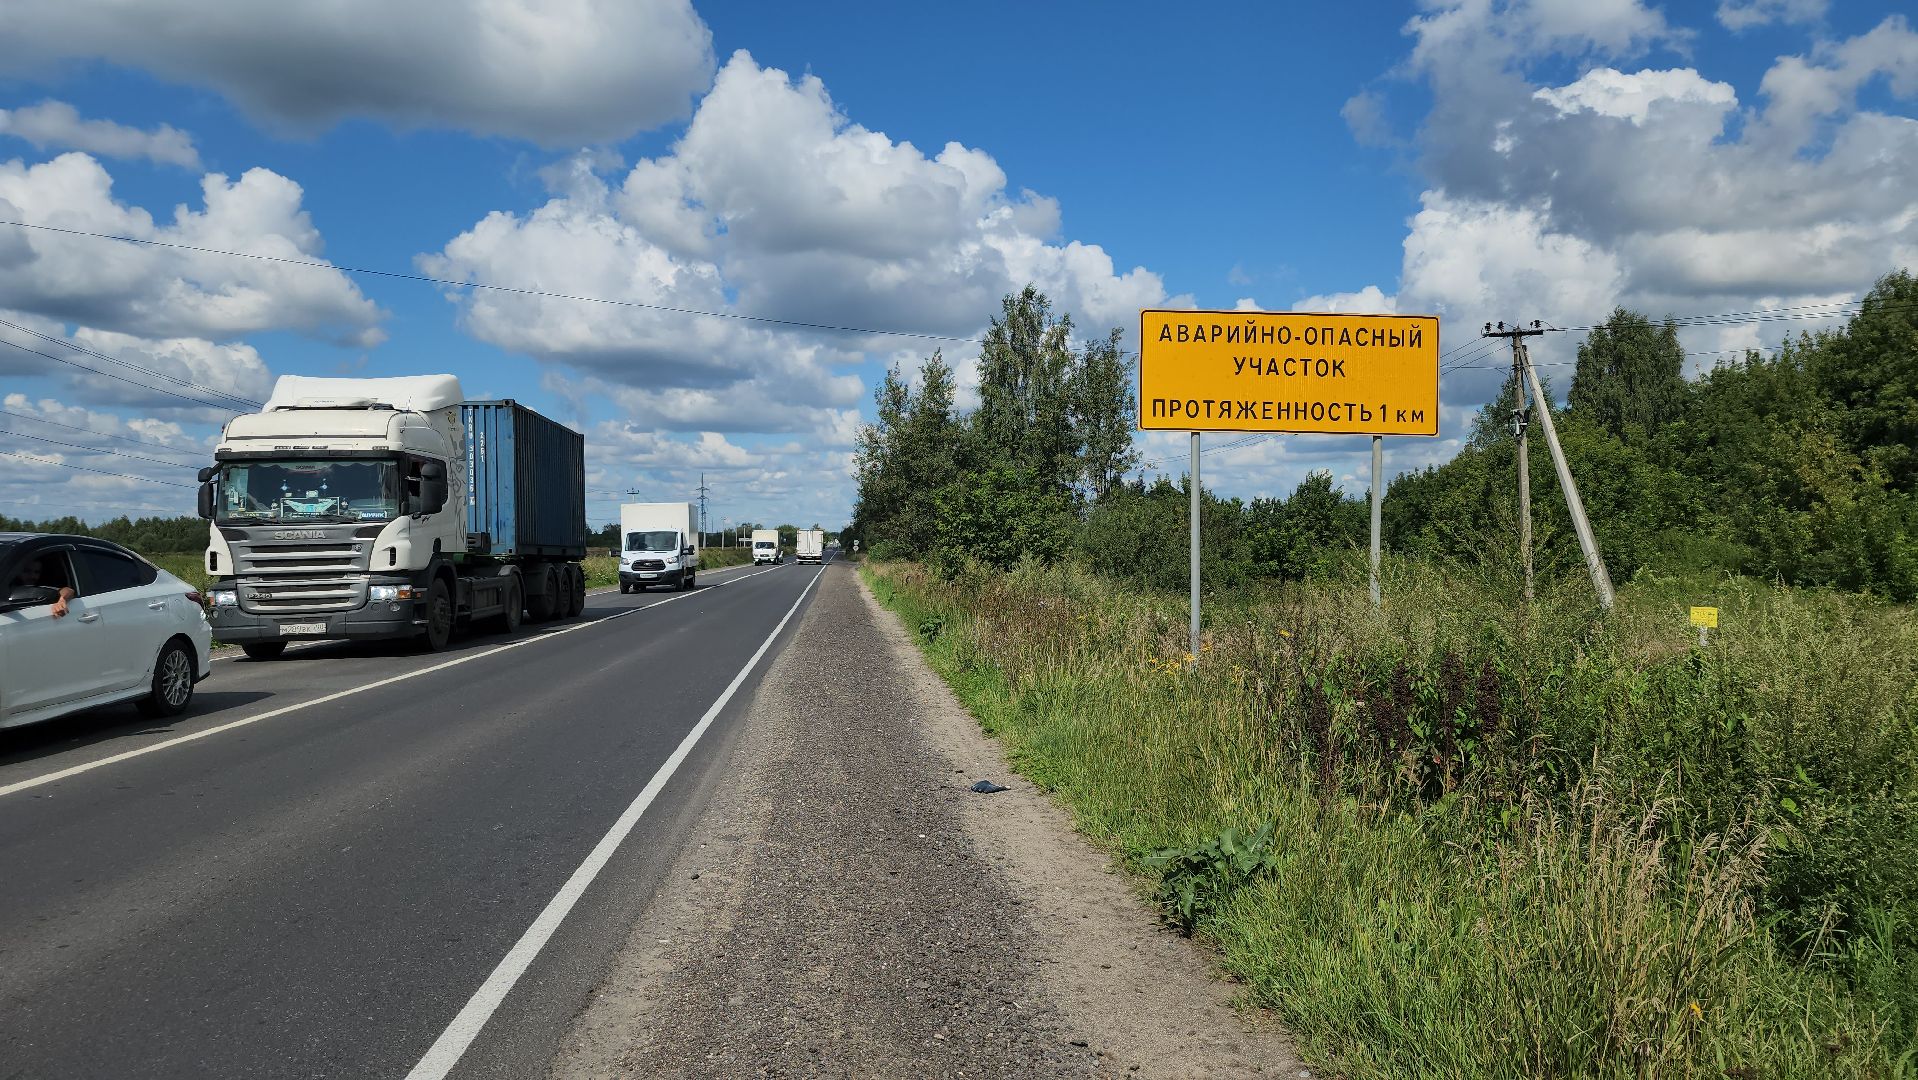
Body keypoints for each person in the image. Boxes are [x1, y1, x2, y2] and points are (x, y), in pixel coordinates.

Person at [9, 555, 76, 617]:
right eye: (27, 571)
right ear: (17, 572)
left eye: (36, 572)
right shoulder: (6, 588)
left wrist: (62, 601)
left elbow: (68, 591)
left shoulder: (41, 588)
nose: (32, 576)